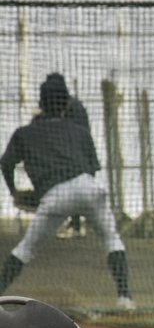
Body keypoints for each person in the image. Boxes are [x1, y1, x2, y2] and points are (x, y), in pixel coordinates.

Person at [0, 77, 134, 309]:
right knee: (111, 239)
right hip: (90, 189)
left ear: (40, 104)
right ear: (67, 105)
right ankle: (125, 298)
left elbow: (6, 163)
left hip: (56, 196)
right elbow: (91, 169)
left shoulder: (25, 133)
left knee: (26, 249)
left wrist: (14, 193)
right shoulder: (79, 131)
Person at [39, 73, 91, 239]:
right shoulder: (77, 104)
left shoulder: (61, 104)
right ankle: (76, 224)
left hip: (67, 153)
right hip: (82, 152)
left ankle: (72, 224)